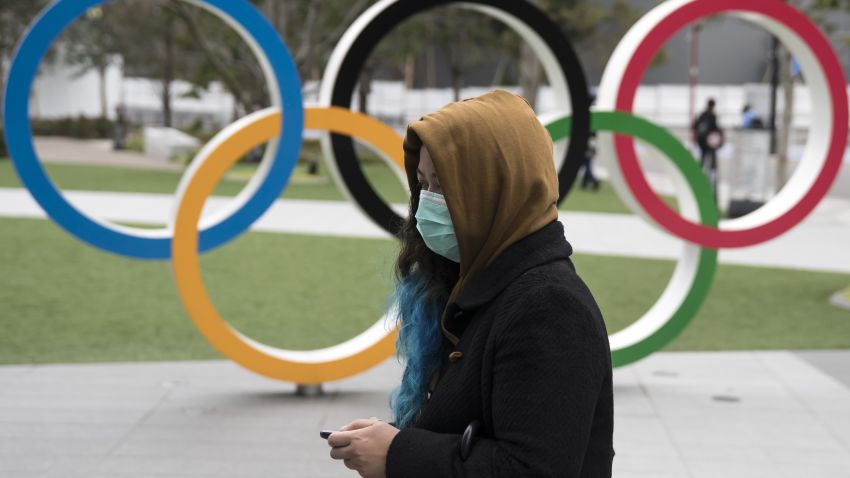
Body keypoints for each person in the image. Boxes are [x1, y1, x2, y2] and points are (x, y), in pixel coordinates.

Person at [326, 89, 615, 477]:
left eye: (443, 186)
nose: (426, 204)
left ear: (499, 187)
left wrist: (399, 453)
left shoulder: (548, 307)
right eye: (422, 184)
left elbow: (533, 469)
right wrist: (388, 441)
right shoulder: (475, 282)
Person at [691, 98, 724, 198]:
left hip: (701, 141)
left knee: (703, 158)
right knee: (711, 160)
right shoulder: (712, 115)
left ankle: (699, 175)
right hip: (709, 141)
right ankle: (711, 176)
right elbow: (715, 129)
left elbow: (694, 126)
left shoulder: (702, 114)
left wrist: (696, 137)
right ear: (713, 105)